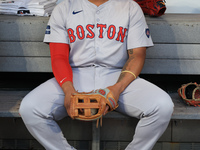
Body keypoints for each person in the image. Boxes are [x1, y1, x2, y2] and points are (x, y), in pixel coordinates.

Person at [19, 0, 174, 149]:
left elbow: (137, 55)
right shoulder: (64, 8)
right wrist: (68, 90)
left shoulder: (130, 7)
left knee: (162, 106)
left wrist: (117, 88)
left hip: (117, 75)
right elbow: (59, 57)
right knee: (30, 108)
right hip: (74, 75)